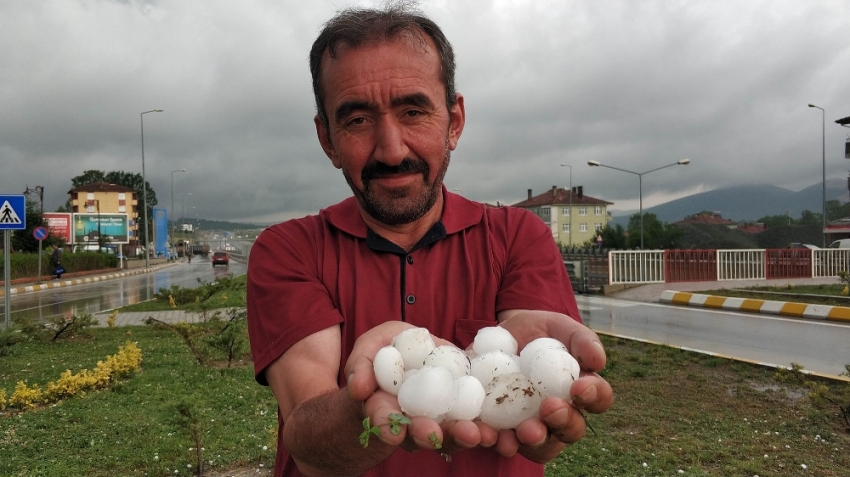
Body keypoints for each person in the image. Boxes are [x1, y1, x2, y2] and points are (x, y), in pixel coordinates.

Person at [247, 4, 613, 477]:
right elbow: (309, 443)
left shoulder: (519, 237)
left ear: (454, 120)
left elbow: (543, 441)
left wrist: (546, 391)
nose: (392, 149)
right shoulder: (289, 250)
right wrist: (365, 406)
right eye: (357, 120)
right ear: (327, 139)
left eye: (413, 111)